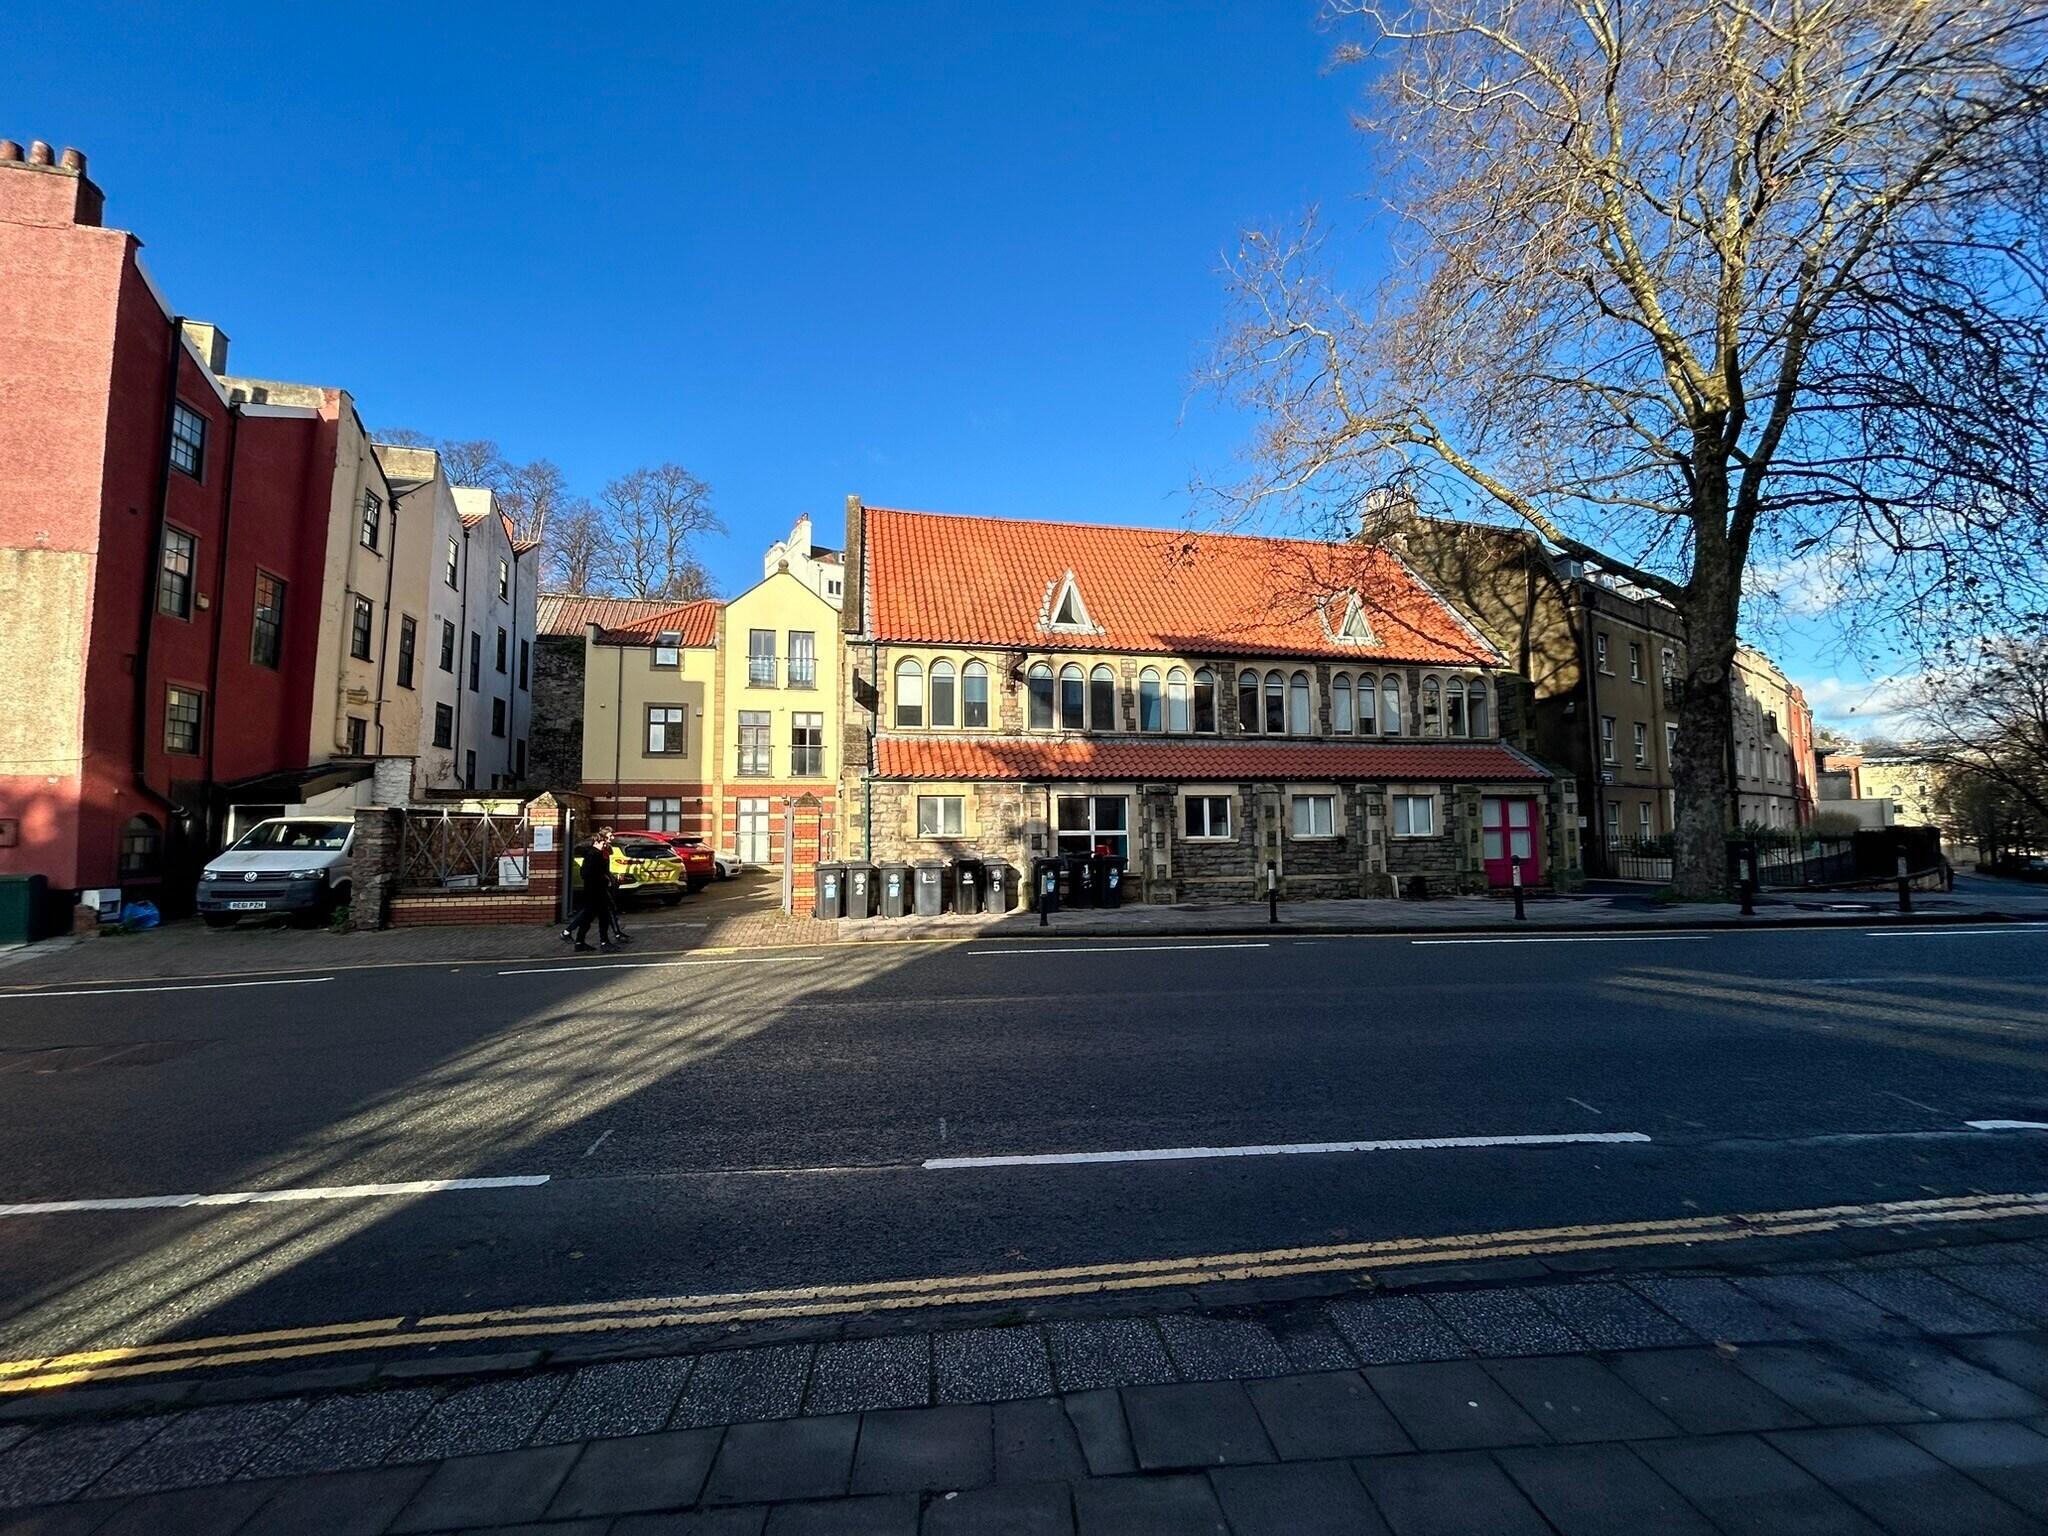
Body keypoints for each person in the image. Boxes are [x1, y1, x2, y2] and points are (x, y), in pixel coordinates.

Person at [568, 831, 618, 952]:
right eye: (602, 843)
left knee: (590, 918)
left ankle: (580, 942)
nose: (603, 845)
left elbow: (586, 872)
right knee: (602, 917)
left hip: (593, 891)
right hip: (596, 891)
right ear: (596, 842)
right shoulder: (594, 855)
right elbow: (589, 873)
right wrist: (604, 879)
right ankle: (603, 942)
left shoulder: (591, 854)